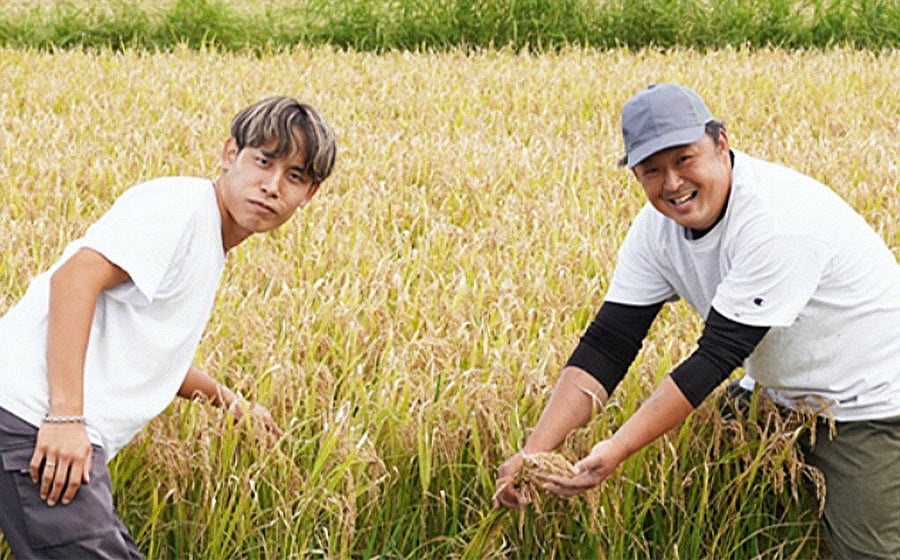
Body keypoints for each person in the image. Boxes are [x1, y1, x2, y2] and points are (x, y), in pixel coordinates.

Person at [493, 83, 900, 559]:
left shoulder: (777, 221)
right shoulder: (656, 230)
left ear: (722, 143)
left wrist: (616, 449)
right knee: (716, 506)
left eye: (685, 159)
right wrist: (533, 452)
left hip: (865, 400)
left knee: (871, 553)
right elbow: (608, 344)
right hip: (775, 391)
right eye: (652, 171)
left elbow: (716, 356)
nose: (671, 184)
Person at [0, 96, 337, 558]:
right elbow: (75, 278)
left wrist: (232, 404)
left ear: (309, 195)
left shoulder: (207, 237)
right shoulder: (180, 210)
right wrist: (64, 416)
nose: (273, 185)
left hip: (38, 424)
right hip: (30, 420)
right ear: (228, 153)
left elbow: (148, 355)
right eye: (263, 161)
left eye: (294, 176)